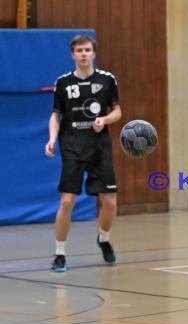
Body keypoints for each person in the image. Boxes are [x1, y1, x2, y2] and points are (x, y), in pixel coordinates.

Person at [44, 34, 122, 272]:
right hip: (72, 146)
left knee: (109, 201)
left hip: (100, 148)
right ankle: (59, 253)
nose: (84, 54)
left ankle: (104, 239)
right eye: (79, 50)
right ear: (73, 54)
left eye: (88, 50)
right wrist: (52, 138)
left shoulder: (107, 80)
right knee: (67, 201)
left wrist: (105, 119)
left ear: (94, 53)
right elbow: (56, 114)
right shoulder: (64, 83)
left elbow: (117, 111)